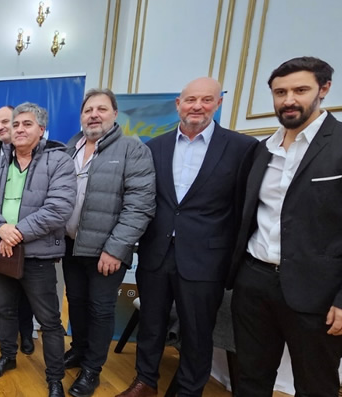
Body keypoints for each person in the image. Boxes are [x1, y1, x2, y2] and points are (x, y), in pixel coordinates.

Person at [117, 77, 257, 397]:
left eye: (206, 100)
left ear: (218, 103)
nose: (197, 106)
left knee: (197, 331)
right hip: (156, 253)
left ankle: (188, 390)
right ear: (178, 104)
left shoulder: (242, 148)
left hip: (206, 258)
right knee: (151, 324)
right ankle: (145, 382)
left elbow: (244, 210)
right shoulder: (154, 147)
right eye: (191, 100)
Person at [230, 56, 342, 396]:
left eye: (300, 89)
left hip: (317, 292)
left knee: (315, 384)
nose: (288, 100)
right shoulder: (261, 149)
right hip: (253, 282)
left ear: (324, 89)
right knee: (249, 377)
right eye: (280, 92)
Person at [0, 102, 75, 397]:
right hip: (2, 250)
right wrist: (2, 229)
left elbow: (59, 208)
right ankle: (8, 356)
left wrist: (15, 233)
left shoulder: (59, 161)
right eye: (16, 124)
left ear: (41, 130)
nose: (19, 129)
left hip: (37, 255)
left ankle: (55, 378)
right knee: (5, 311)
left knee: (49, 321)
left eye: (27, 124)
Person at [62, 89, 156, 397]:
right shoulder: (69, 150)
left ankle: (92, 370)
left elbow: (140, 205)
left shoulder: (133, 150)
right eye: (89, 109)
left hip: (106, 252)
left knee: (100, 310)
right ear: (81, 116)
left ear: (115, 114)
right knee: (75, 303)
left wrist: (116, 248)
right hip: (70, 246)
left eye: (102, 109)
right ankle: (78, 350)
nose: (94, 114)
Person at [0, 105, 36, 355]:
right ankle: (2, 327)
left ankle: (26, 333)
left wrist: (17, 230)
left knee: (26, 291)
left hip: (28, 234)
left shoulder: (40, 154)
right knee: (3, 289)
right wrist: (0, 228)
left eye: (6, 122)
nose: (2, 127)